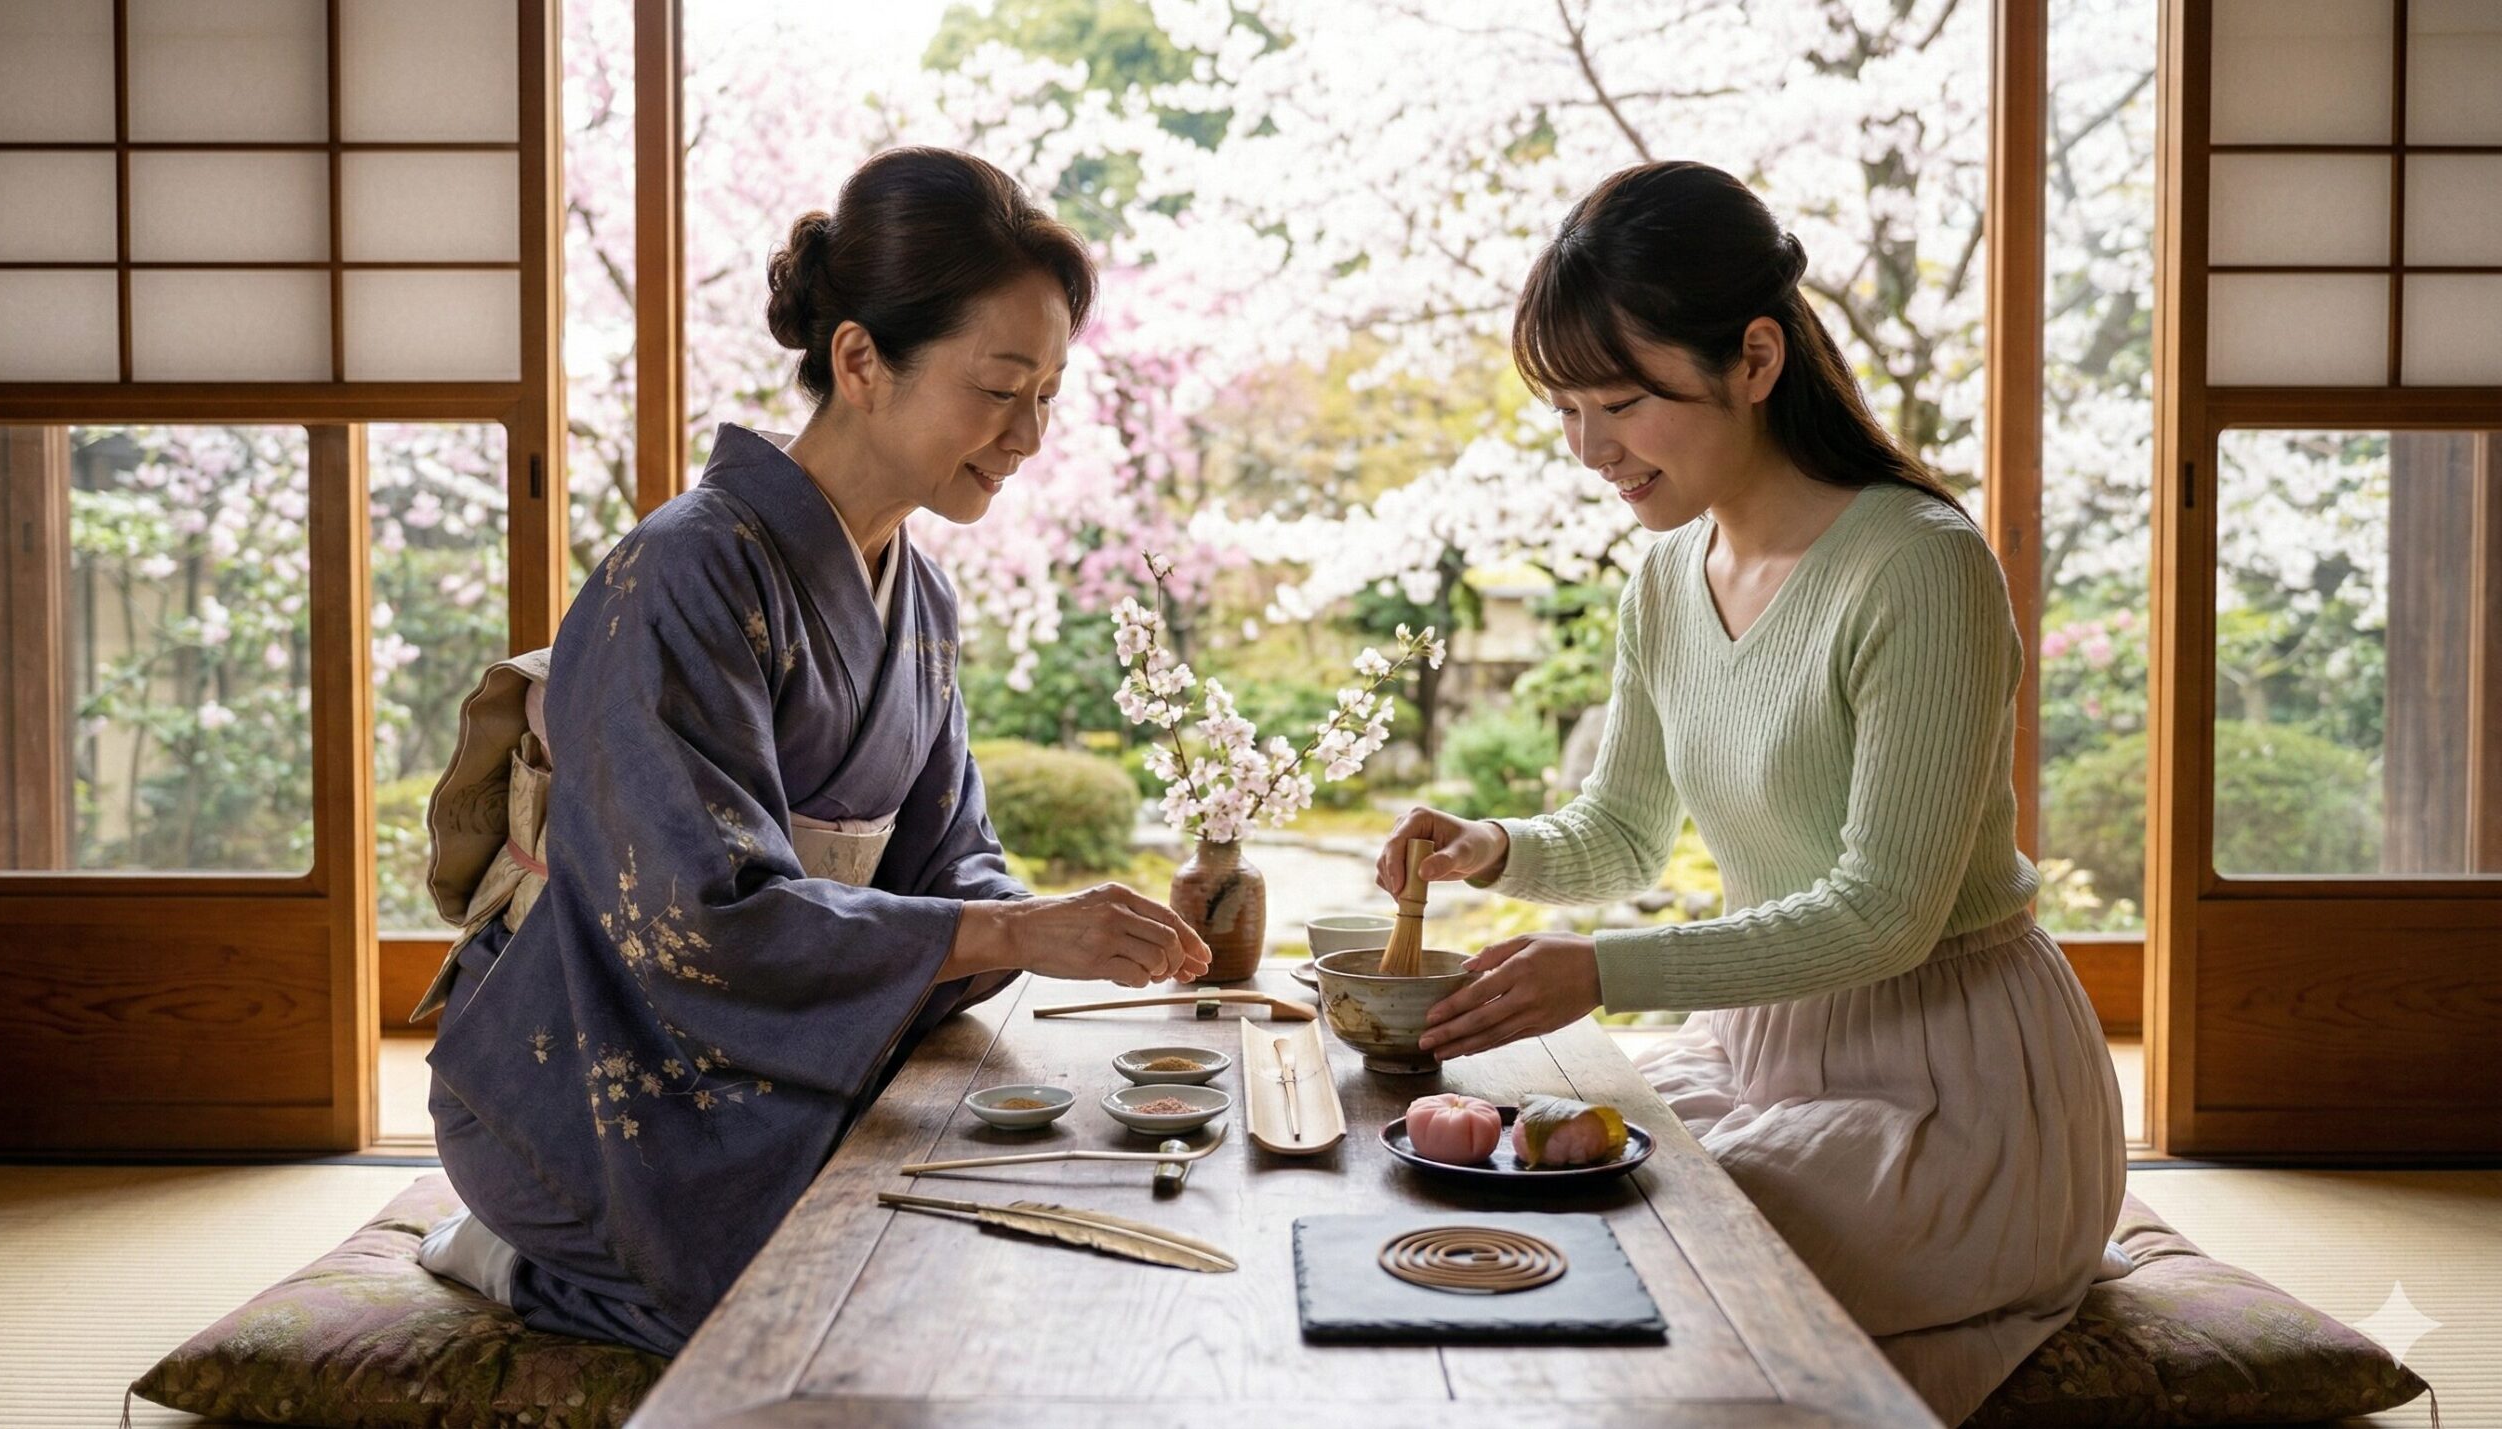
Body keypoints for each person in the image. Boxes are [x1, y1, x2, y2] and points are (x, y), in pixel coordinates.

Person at [418, 146, 1210, 1356]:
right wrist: (1000, 932)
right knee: (830, 1295)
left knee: (994, 1210)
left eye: (1049, 394)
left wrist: (1057, 927)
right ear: (859, 361)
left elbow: (956, 866)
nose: (1029, 436)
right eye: (1001, 389)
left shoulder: (922, 602)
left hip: (759, 1055)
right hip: (592, 1070)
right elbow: (704, 920)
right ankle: (512, 1256)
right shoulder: (682, 570)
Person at [1380, 160, 2127, 1426]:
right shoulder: (1668, 576)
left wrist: (1604, 969)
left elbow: (1886, 914)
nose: (1589, 449)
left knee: (1638, 1269)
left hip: (1958, 1094)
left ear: (1757, 358)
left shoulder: (1918, 568)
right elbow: (1623, 831)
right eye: (1565, 408)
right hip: (1770, 1053)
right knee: (1526, 1191)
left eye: (1620, 401)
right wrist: (1490, 847)